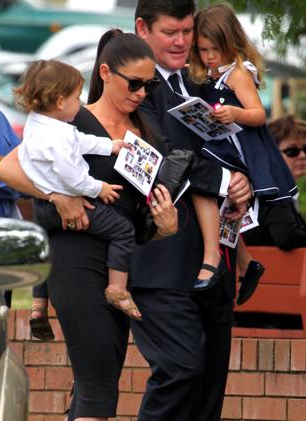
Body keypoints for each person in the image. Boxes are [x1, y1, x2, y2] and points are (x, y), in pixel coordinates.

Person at [0, 29, 178, 421]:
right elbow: (8, 168)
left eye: (150, 84)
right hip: (76, 258)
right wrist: (56, 196)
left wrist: (165, 226)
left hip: (124, 264)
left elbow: (141, 210)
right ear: (107, 73)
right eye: (135, 83)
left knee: (100, 382)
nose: (143, 92)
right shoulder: (69, 117)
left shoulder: (149, 130)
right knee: (97, 384)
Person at [132, 1, 252, 420]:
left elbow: (243, 138)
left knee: (209, 387)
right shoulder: (135, 88)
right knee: (180, 372)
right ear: (142, 28)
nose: (183, 42)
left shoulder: (208, 78)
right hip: (161, 265)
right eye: (171, 32)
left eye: (187, 31)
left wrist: (248, 179)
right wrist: (226, 181)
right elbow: (165, 154)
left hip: (219, 258)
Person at [15, 59, 143, 324]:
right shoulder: (58, 138)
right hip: (68, 204)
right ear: (60, 101)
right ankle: (117, 288)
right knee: (122, 230)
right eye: (77, 97)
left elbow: (80, 141)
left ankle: (38, 305)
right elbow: (73, 177)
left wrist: (110, 146)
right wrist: (99, 189)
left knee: (45, 247)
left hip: (43, 209)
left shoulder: (38, 124)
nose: (81, 102)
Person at [188, 2, 298, 303]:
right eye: (203, 50)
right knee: (227, 204)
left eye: (215, 49)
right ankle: (245, 261)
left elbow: (258, 114)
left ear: (231, 43)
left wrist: (235, 113)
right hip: (221, 142)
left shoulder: (237, 73)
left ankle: (234, 261)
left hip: (238, 148)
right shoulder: (209, 73)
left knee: (206, 182)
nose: (209, 57)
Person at [0, 34, 22, 307]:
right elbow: (15, 174)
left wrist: (5, 169)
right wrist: (5, 171)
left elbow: (27, 165)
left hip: (3, 242)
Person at [244, 114, 306, 248]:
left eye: (305, 149)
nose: (302, 156)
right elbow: (287, 236)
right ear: (272, 154)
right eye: (292, 151)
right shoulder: (273, 190)